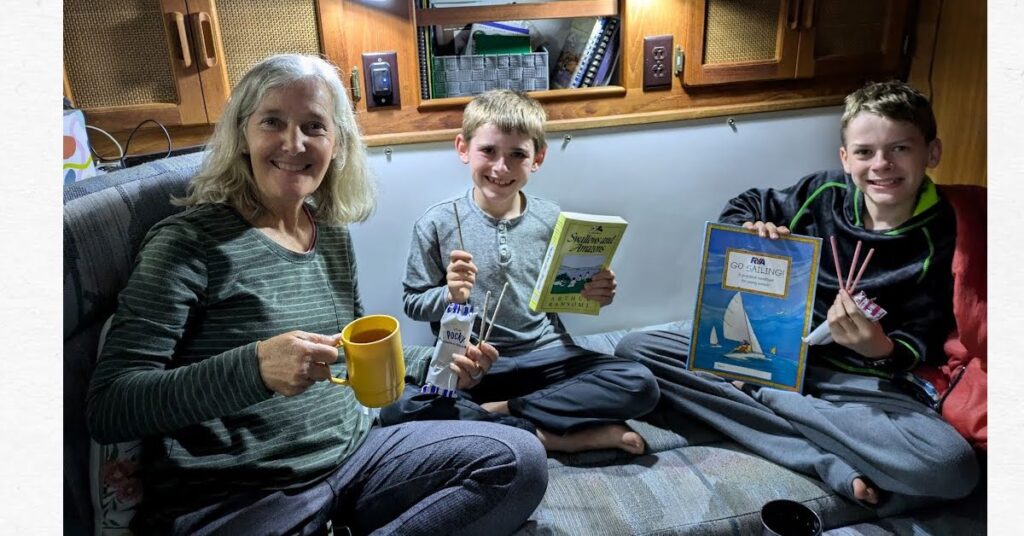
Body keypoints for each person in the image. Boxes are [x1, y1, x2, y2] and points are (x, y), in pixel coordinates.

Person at [86, 54, 548, 536]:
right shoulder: (186, 244)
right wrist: (255, 369)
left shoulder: (327, 232)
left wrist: (440, 362)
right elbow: (111, 406)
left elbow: (353, 351)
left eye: (314, 126)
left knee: (519, 460)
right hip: (238, 494)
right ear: (242, 135)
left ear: (336, 144)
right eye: (272, 122)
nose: (294, 143)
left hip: (355, 459)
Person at [614, 80, 979, 515]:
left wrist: (877, 347)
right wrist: (751, 228)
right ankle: (820, 452)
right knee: (638, 347)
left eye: (900, 149)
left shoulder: (950, 232)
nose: (881, 164)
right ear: (845, 158)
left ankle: (765, 397)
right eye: (864, 152)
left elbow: (924, 337)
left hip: (863, 384)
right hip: (777, 352)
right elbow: (748, 203)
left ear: (931, 153)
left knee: (952, 468)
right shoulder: (823, 193)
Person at [385, 89, 659, 455]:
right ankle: (555, 436)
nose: (501, 168)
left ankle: (510, 415)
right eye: (489, 151)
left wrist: (595, 294)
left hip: (547, 357)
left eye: (517, 155)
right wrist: (448, 295)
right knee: (395, 409)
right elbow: (413, 302)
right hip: (476, 368)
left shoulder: (552, 218)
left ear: (537, 158)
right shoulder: (436, 223)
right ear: (463, 149)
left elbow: (563, 294)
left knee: (639, 383)